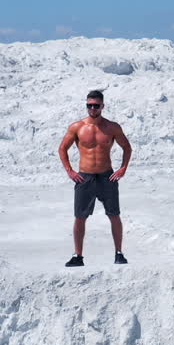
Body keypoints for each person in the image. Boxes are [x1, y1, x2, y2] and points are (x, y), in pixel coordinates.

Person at [58, 90, 132, 267]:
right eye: (89, 105)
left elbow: (127, 148)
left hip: (107, 176)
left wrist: (123, 168)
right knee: (80, 217)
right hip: (85, 177)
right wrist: (70, 171)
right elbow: (62, 149)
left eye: (96, 105)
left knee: (114, 214)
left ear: (102, 106)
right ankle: (78, 256)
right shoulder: (77, 127)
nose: (92, 108)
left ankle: (119, 253)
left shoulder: (112, 127)